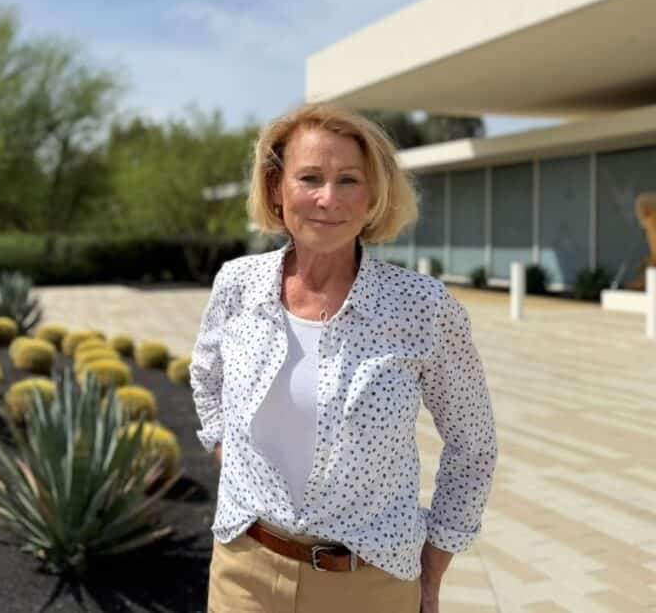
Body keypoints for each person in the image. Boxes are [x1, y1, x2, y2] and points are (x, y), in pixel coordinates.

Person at [190, 102, 498, 613]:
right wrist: (235, 462)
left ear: (374, 194)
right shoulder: (237, 285)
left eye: (349, 180)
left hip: (369, 584)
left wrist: (435, 563)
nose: (328, 199)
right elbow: (205, 378)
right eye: (309, 177)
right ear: (275, 189)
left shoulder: (423, 307)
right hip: (244, 573)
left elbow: (473, 444)